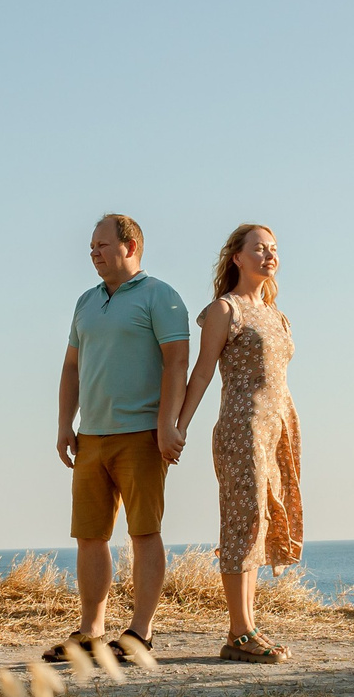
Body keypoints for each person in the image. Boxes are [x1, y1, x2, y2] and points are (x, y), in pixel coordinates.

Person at [49, 212, 190, 662]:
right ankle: (90, 632)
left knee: (144, 533)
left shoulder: (160, 297)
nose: (93, 252)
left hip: (141, 436)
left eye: (102, 245)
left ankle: (139, 633)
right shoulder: (85, 302)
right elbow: (71, 367)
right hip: (91, 437)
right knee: (90, 537)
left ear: (130, 247)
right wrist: (63, 425)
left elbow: (177, 365)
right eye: (91, 246)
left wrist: (169, 425)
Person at [176, 222, 302, 662]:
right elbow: (203, 372)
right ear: (237, 258)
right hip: (242, 428)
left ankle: (247, 627)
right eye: (259, 249)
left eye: (274, 249)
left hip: (275, 429)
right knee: (243, 523)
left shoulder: (276, 313)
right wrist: (180, 426)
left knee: (261, 523)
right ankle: (239, 631)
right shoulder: (225, 310)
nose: (269, 255)